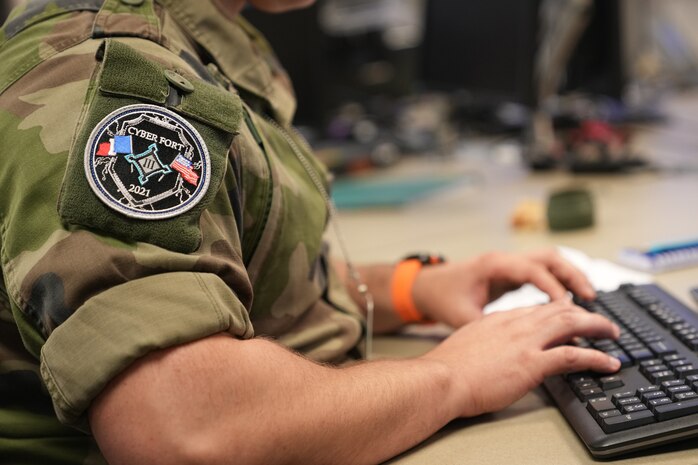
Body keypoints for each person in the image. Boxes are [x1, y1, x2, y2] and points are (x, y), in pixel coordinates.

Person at [0, 0, 621, 464]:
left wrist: (413, 289)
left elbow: (227, 269)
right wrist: (453, 378)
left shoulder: (199, 39)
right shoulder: (107, 74)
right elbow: (185, 429)